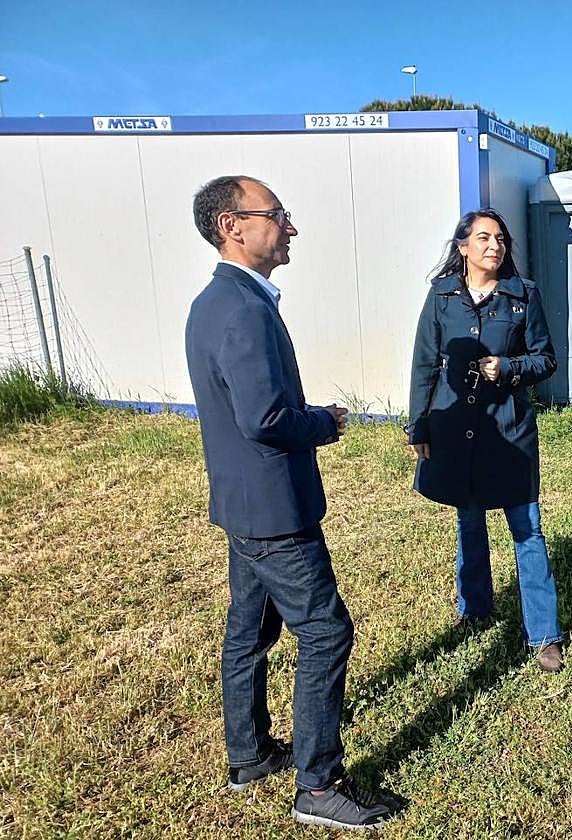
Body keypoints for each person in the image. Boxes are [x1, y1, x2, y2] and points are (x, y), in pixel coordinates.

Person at [185, 175, 402, 829]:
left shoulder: (216, 302)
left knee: (250, 631)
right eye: (277, 214)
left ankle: (249, 755)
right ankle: (318, 784)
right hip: (274, 510)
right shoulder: (243, 309)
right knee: (326, 630)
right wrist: (323, 423)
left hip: (244, 504)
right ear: (233, 225)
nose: (290, 227)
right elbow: (265, 416)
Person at [408, 209, 564, 672]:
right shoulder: (442, 296)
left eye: (500, 239)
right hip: (455, 429)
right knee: (469, 522)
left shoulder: (523, 296)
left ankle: (544, 634)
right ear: (463, 247)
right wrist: (418, 425)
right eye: (483, 238)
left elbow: (546, 359)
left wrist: (511, 367)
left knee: (527, 530)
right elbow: (422, 364)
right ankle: (475, 608)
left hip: (509, 432)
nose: (494, 246)